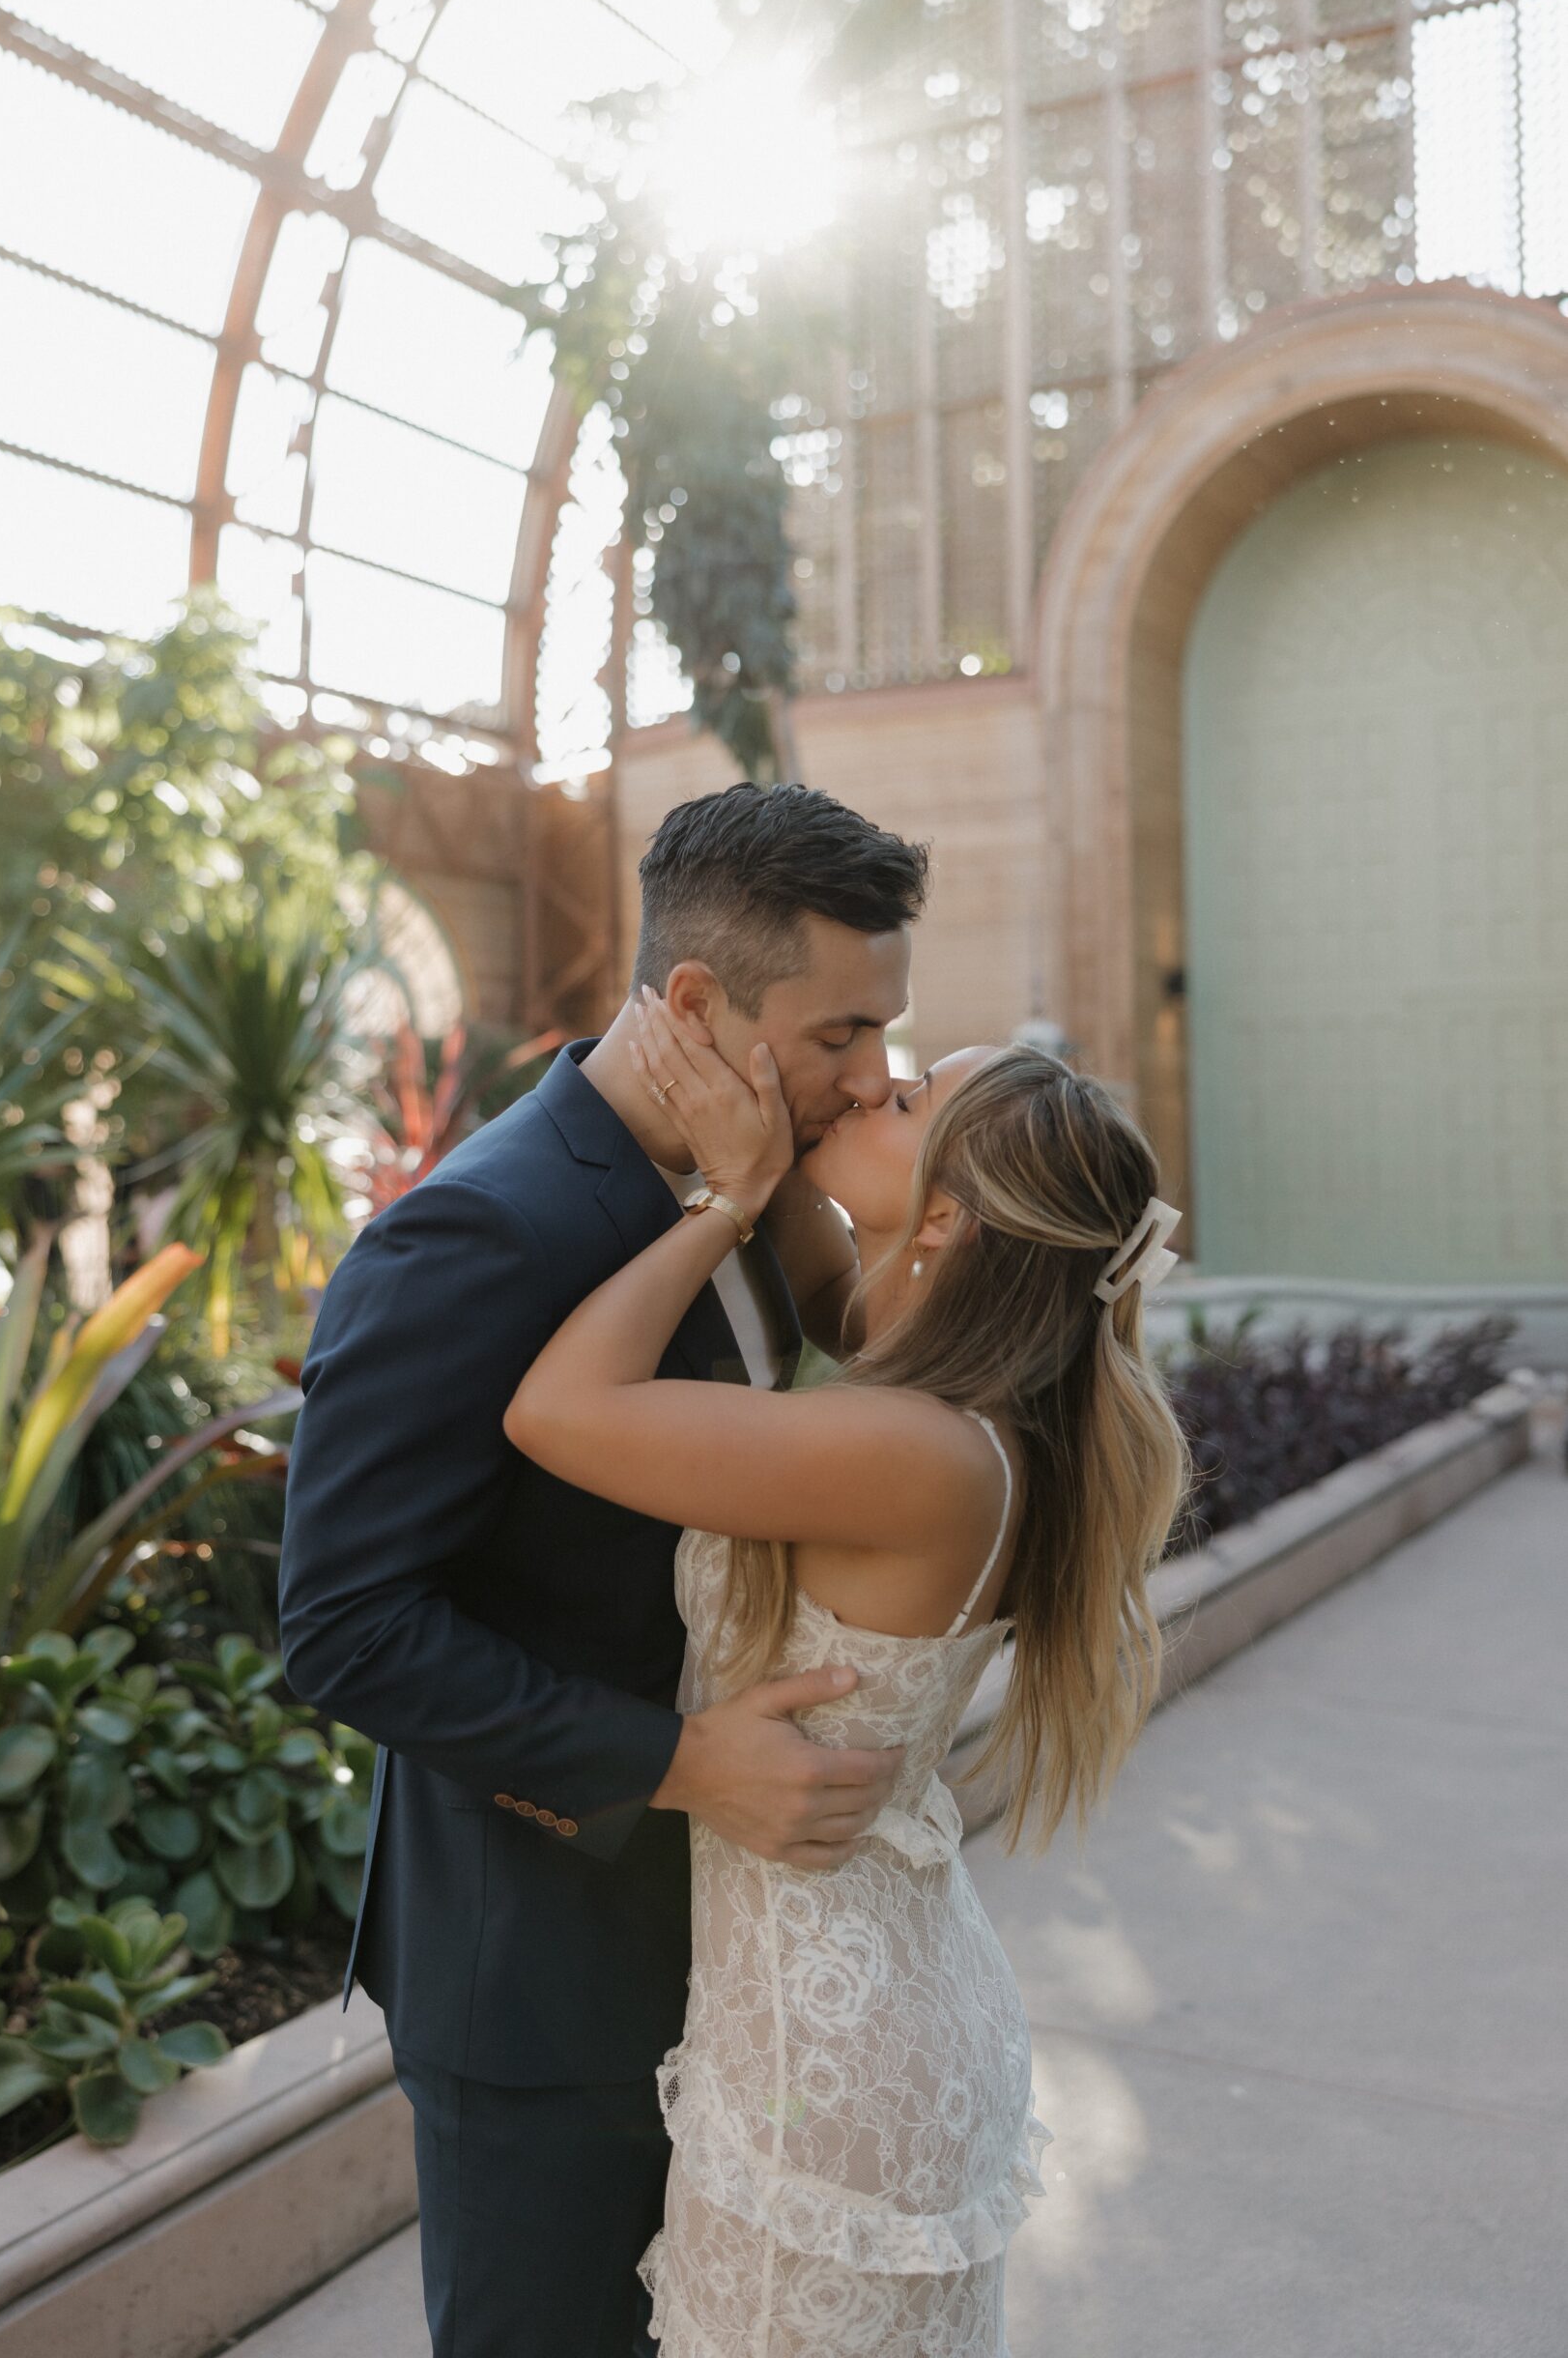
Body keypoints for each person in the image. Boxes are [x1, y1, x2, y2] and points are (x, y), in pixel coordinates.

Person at [277, 782, 930, 2357]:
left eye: (888, 1033)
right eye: (842, 1033)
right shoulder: (473, 1237)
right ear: (699, 1002)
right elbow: (346, 1629)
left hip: (742, 1959)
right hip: (545, 1981)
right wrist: (684, 1765)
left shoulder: (756, 1187)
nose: (874, 1075)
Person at [505, 992, 1191, 2356]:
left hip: (824, 2072)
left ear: (945, 1227)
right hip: (869, 2021)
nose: (870, 1086)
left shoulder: (910, 1449)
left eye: (910, 1096)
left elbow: (554, 1412)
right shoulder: (968, 1414)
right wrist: (783, 1150)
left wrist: (722, 1196)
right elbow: (839, 1283)